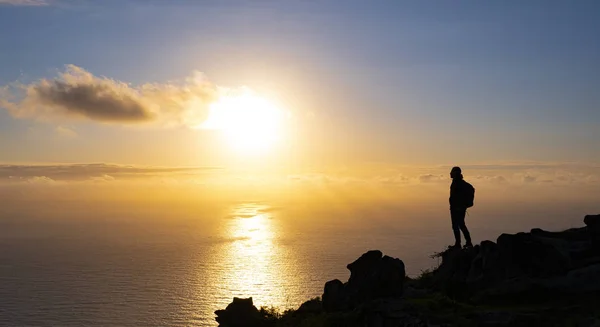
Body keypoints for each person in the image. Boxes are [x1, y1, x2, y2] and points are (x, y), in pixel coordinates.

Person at [449, 166, 473, 248]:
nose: (450, 173)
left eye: (451, 172)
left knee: (456, 225)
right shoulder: (461, 182)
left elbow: (455, 196)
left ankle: (458, 244)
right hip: (461, 208)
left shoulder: (456, 183)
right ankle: (467, 242)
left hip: (456, 208)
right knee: (461, 224)